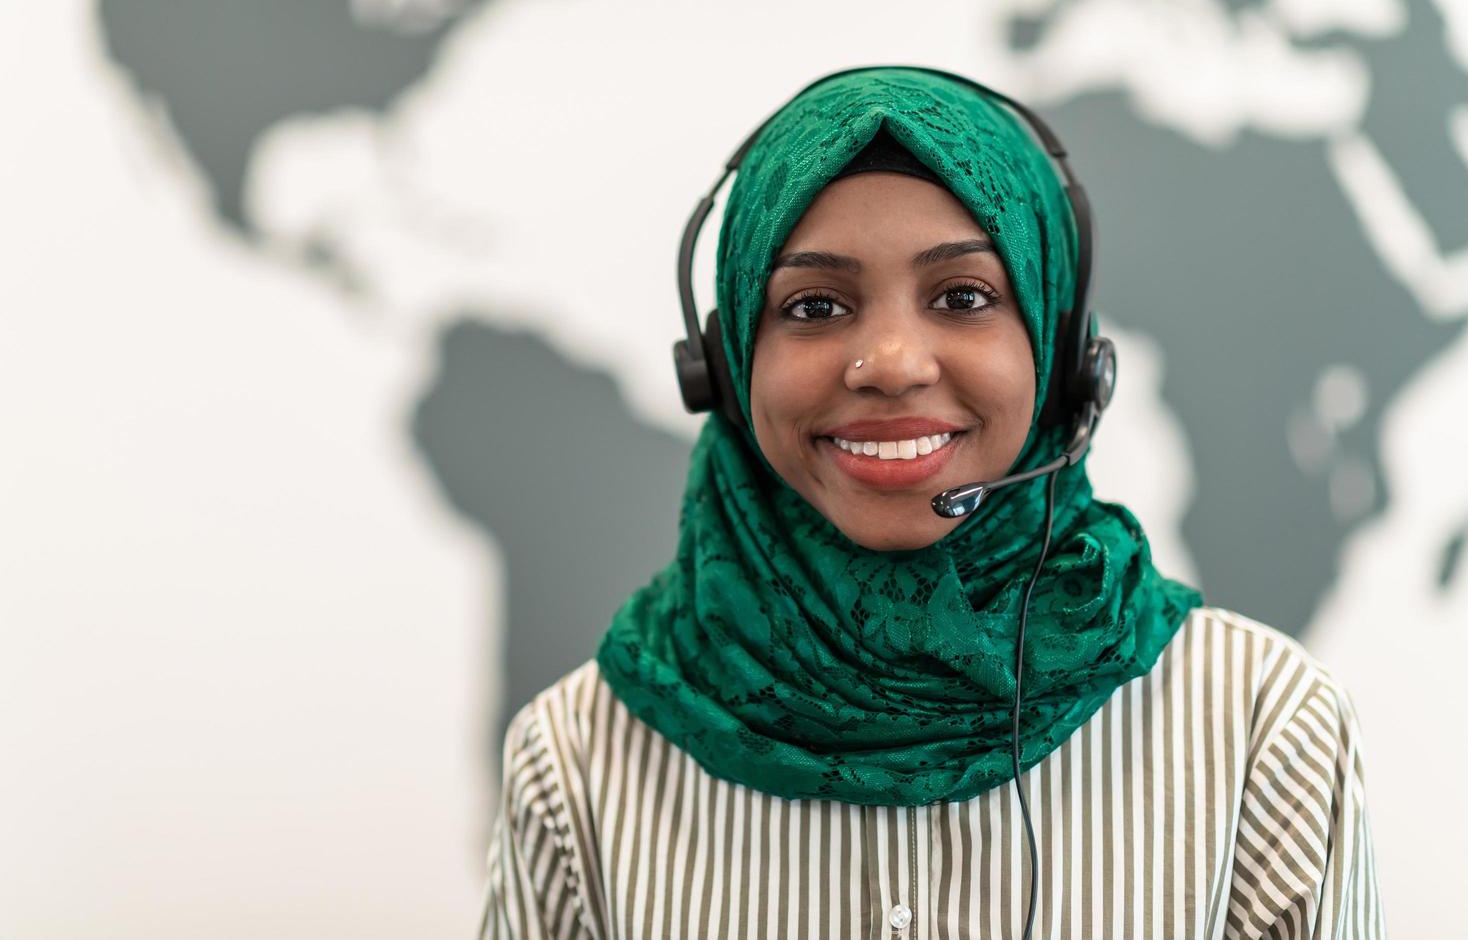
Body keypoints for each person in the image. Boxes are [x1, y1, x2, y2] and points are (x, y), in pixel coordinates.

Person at [478, 67, 1385, 939]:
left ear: (1067, 354)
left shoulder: (1262, 732)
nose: (892, 365)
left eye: (962, 295)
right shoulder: (576, 764)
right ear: (722, 365)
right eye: (815, 307)